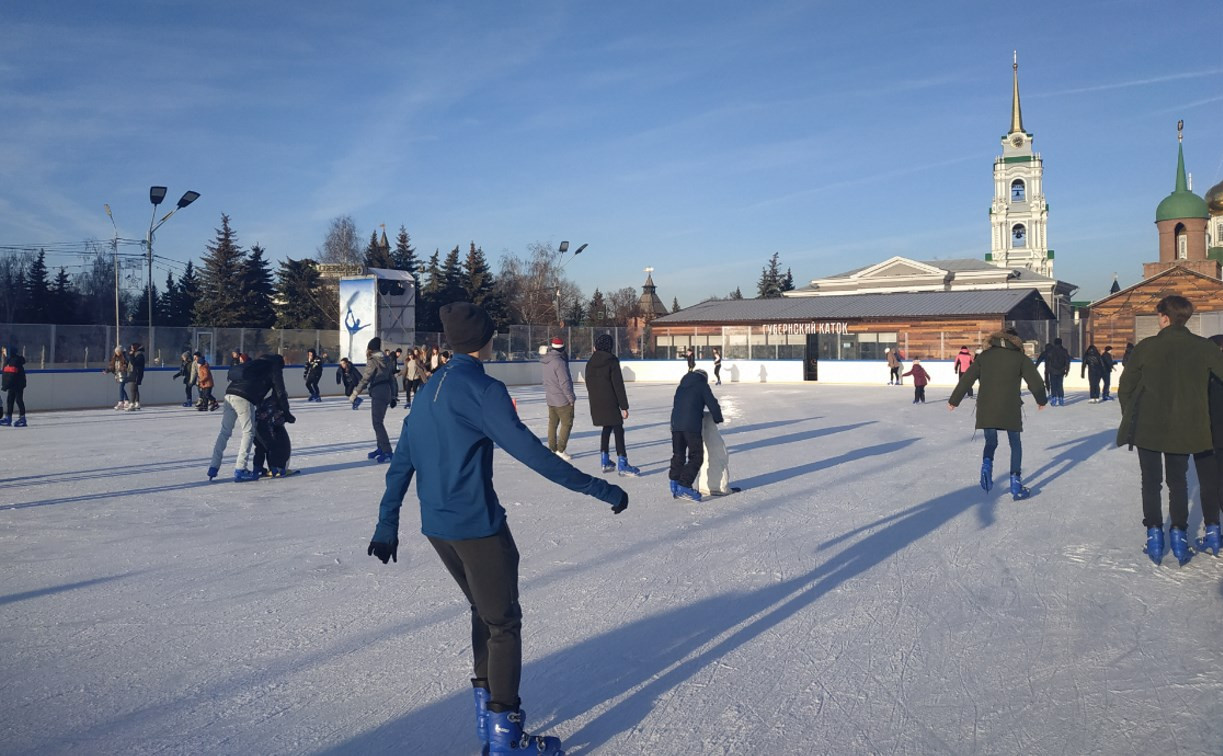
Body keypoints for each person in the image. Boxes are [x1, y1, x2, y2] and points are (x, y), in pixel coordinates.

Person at [366, 302, 627, 756]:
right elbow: (534, 454)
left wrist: (387, 524)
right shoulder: (481, 389)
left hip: (438, 528)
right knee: (503, 624)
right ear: (485, 340)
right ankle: (507, 738)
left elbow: (402, 462)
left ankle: (488, 722)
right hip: (478, 528)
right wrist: (600, 490)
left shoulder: (429, 390)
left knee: (482, 612)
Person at [1118, 295, 1223, 566]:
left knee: (1150, 482)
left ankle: (1154, 535)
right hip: (1187, 427)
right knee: (1178, 483)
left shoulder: (1146, 347)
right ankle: (1178, 535)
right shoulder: (1204, 347)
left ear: (1164, 317)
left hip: (1148, 428)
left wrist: (1130, 415)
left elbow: (1126, 386)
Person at [949, 328, 1047, 500]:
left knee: (991, 442)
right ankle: (1016, 484)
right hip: (1010, 407)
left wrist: (954, 400)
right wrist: (1041, 399)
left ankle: (987, 464)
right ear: (1015, 340)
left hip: (987, 408)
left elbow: (967, 379)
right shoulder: (1020, 358)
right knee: (1015, 443)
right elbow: (1035, 381)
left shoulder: (983, 357)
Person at [209, 353, 294, 482]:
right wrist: (287, 413)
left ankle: (213, 467)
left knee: (225, 432)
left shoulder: (255, 364)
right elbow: (280, 392)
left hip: (229, 394)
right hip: (244, 398)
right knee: (248, 432)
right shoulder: (273, 368)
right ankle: (240, 468)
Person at [585, 333, 640, 476]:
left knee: (606, 428)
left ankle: (604, 460)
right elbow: (618, 385)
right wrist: (624, 406)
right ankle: (622, 462)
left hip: (596, 402)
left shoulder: (590, 362)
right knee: (618, 429)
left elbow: (589, 383)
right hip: (610, 400)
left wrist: (595, 399)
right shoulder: (612, 361)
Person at [669, 368, 723, 501]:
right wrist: (717, 418)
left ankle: (674, 483)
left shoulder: (681, 386)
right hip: (691, 426)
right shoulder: (702, 385)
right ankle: (684, 485)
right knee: (696, 456)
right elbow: (712, 404)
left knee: (678, 455)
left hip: (675, 425)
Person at [350, 337, 399, 463]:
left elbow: (366, 378)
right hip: (387, 391)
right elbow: (392, 378)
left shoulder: (373, 360)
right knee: (378, 422)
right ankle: (381, 448)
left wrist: (355, 393)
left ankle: (387, 451)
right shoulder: (386, 359)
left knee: (377, 423)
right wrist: (393, 396)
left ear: (370, 349)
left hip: (378, 392)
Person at [541, 337, 576, 460]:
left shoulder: (546, 360)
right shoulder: (559, 362)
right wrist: (571, 398)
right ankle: (560, 450)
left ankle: (552, 448)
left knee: (553, 424)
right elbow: (565, 382)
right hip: (562, 400)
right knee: (567, 423)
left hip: (551, 398)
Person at [251, 395, 296, 478]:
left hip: (256, 425)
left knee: (260, 447)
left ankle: (257, 468)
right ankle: (277, 468)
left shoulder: (262, 400)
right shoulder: (277, 401)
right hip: (269, 429)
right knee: (275, 445)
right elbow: (277, 420)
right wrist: (287, 416)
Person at [1, 348, 28, 427]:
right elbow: (6, 375)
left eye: (4, 350)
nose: (3, 352)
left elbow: (12, 376)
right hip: (12, 384)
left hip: (18, 384)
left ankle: (23, 419)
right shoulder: (8, 360)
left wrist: (5, 386)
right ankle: (8, 417)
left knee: (19, 400)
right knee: (10, 400)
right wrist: (5, 384)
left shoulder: (15, 361)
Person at [1043, 338, 1071, 406]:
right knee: (1060, 384)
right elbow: (1067, 361)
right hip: (1061, 371)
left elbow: (1047, 361)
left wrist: (1047, 370)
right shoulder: (1064, 351)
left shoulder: (1051, 351)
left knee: (1053, 385)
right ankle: (1061, 398)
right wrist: (1067, 370)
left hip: (1052, 371)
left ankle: (1054, 398)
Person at [103, 346, 131, 410]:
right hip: (117, 375)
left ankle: (121, 402)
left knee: (121, 388)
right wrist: (107, 370)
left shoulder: (124, 357)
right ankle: (126, 401)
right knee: (122, 388)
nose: (117, 353)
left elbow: (127, 364)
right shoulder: (115, 358)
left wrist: (123, 368)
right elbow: (112, 366)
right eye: (116, 352)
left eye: (118, 351)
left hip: (123, 375)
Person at [127, 342, 146, 411]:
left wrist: (131, 356)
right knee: (135, 388)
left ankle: (132, 403)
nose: (131, 349)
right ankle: (137, 402)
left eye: (132, 347)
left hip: (136, 374)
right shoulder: (137, 354)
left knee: (133, 389)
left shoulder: (139, 355)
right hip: (134, 373)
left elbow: (134, 363)